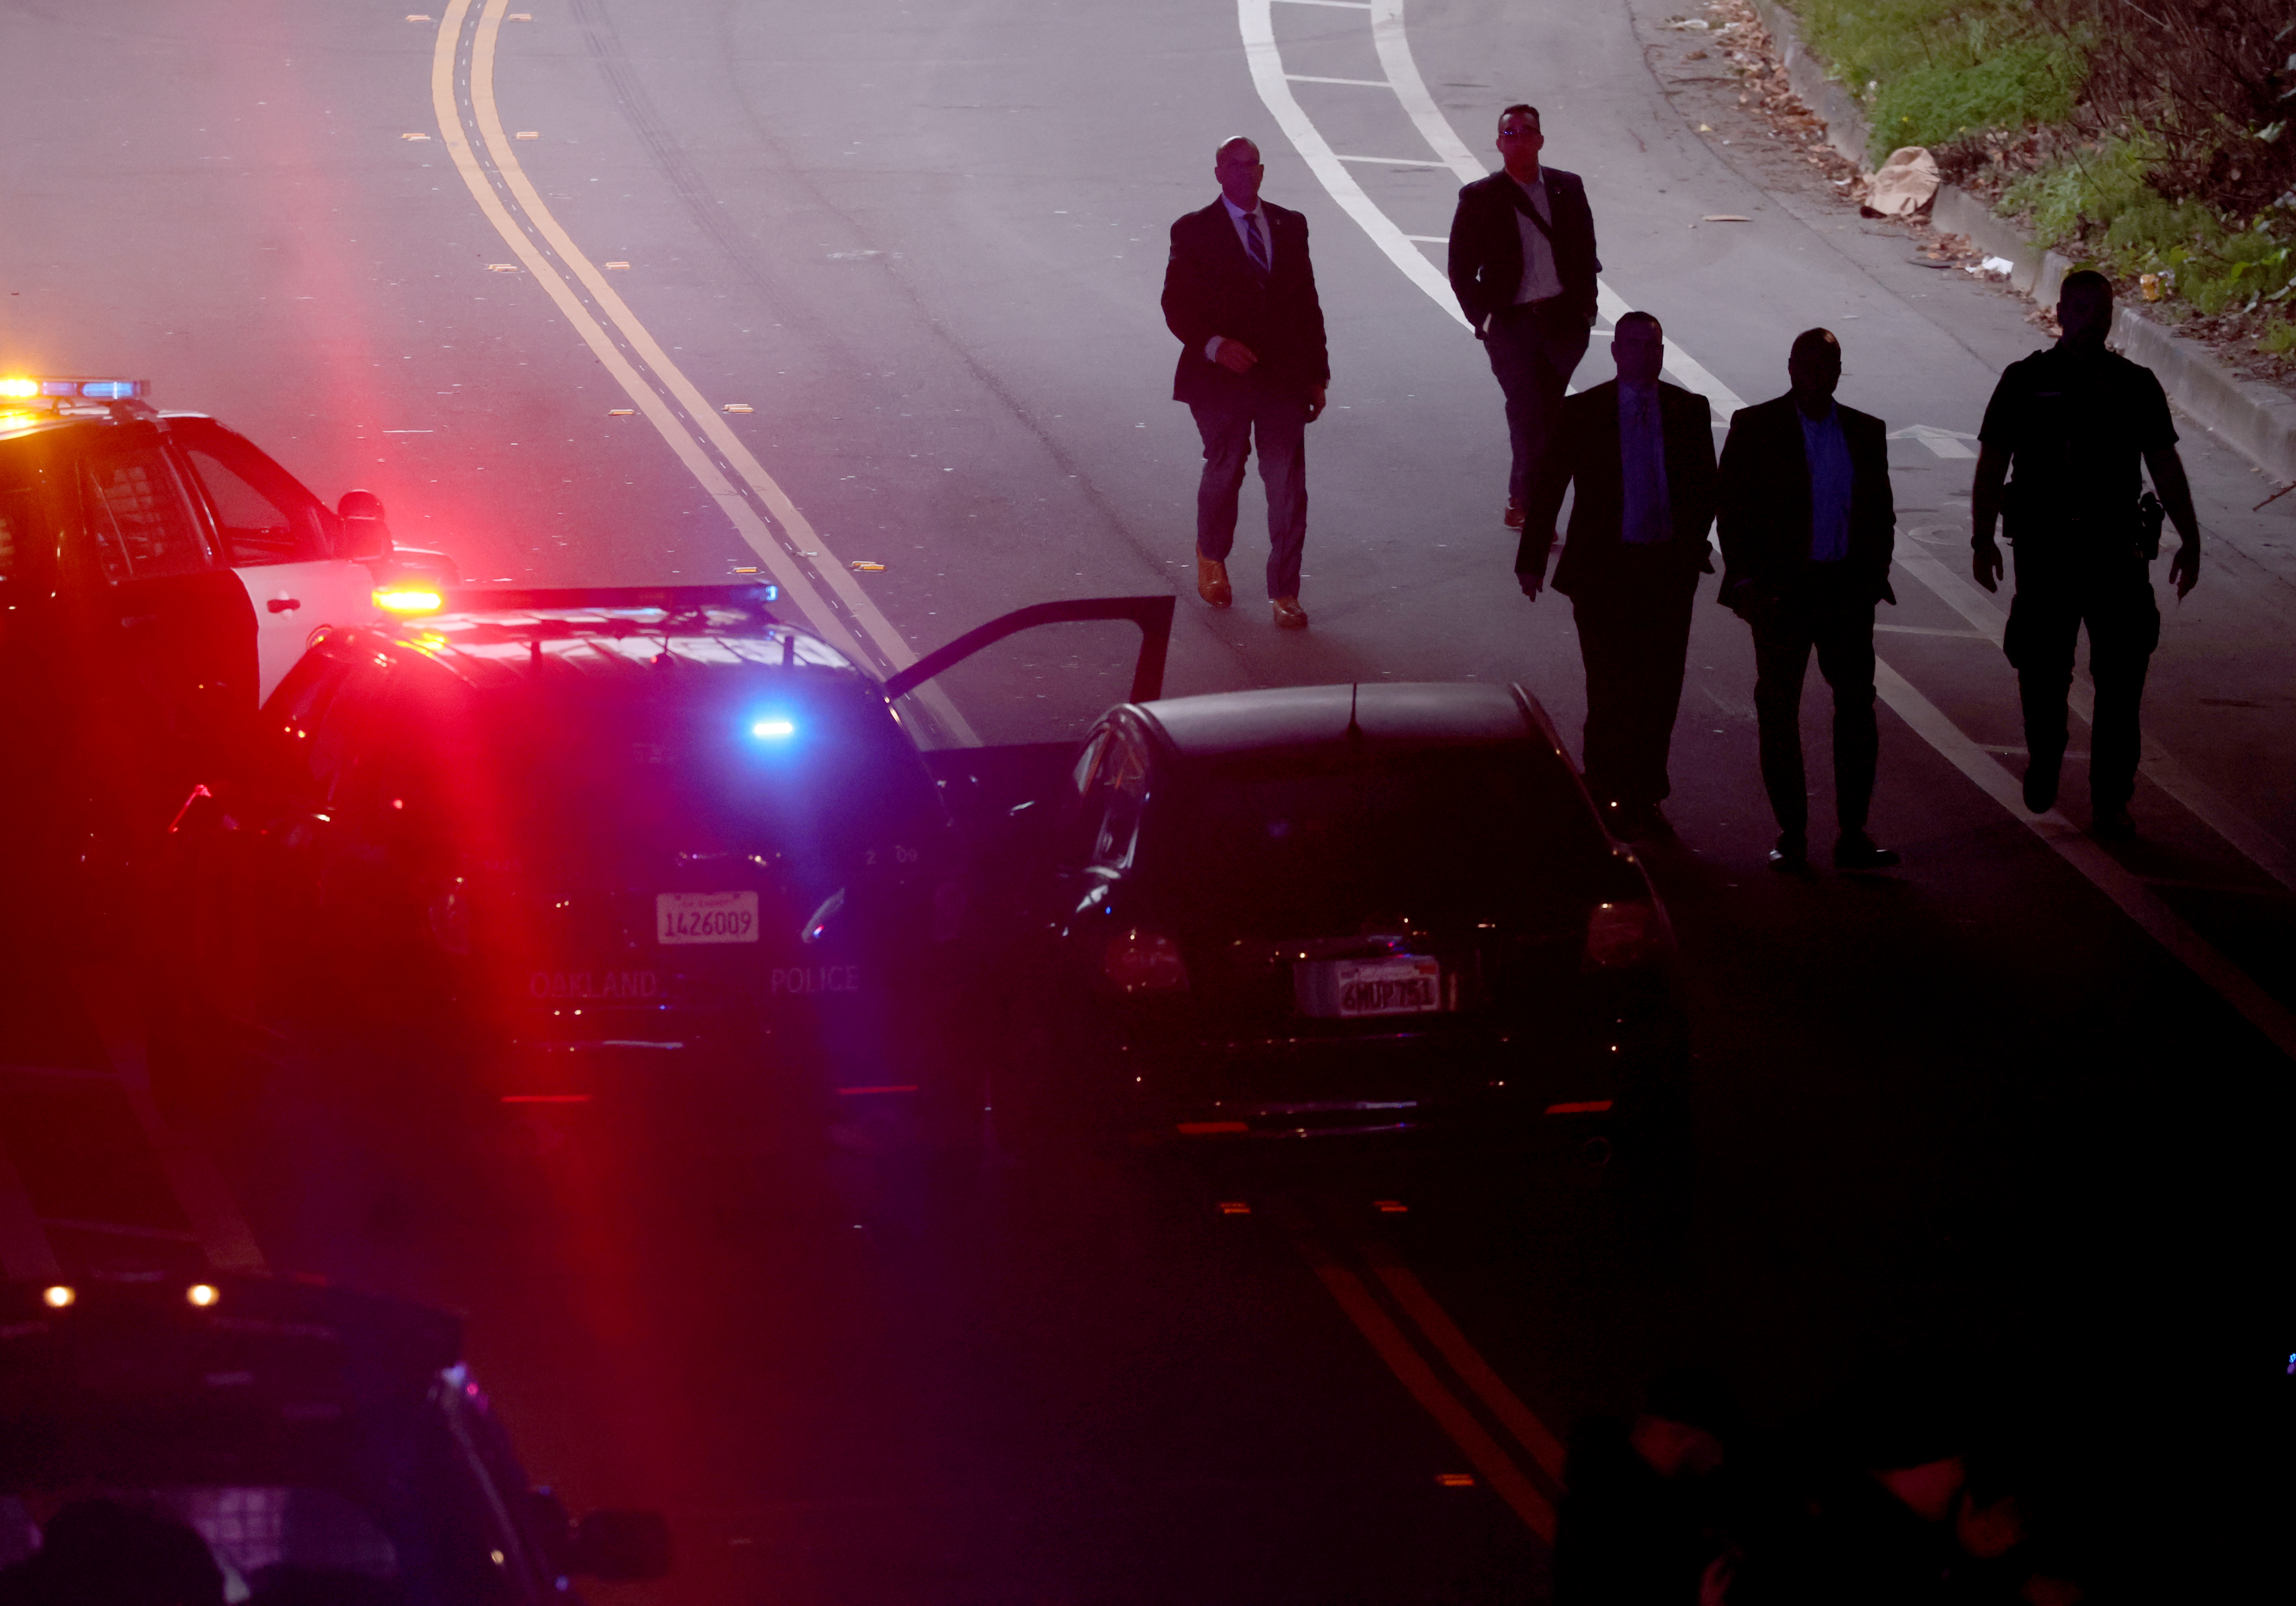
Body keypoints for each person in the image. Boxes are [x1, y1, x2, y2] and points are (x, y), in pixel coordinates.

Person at [1971, 269, 2201, 838]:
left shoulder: (2133, 385)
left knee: (2121, 683)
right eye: (2077, 309)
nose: (2088, 322)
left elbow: (2164, 466)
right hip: (2045, 551)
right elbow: (1992, 462)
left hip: (2113, 555)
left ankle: (2110, 802)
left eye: (2098, 311)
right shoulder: (2025, 381)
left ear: (2110, 317)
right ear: (2058, 313)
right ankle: (2045, 753)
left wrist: (2190, 538)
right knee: (2040, 670)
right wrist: (1980, 537)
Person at [1518, 311, 1717, 839]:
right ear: (1615, 352)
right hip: (1604, 574)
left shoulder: (1687, 410)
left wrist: (1690, 548)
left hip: (1663, 574)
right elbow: (1550, 483)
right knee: (1608, 689)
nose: (1643, 356)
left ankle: (1645, 796)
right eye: (1632, 346)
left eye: (1651, 347)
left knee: (1658, 692)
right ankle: (1606, 792)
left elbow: (1705, 486)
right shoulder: (1584, 411)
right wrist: (1532, 557)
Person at [1717, 328, 1901, 873]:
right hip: (1782, 595)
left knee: (1855, 709)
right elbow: (1731, 509)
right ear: (1791, 367)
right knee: (1778, 709)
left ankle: (1852, 832)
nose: (1817, 375)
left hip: (1844, 591)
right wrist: (1747, 582)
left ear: (1839, 371)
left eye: (1828, 365)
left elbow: (1878, 513)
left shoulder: (1866, 433)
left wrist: (1871, 577)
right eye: (1808, 364)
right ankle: (1792, 832)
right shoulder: (1755, 428)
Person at [1161, 135, 1330, 631]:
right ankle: (1211, 553)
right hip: (1219, 379)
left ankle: (1285, 592)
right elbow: (1176, 306)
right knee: (1226, 467)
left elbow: (1307, 305)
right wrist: (1215, 345)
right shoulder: (1192, 231)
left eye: (1250, 165)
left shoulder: (1290, 225)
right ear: (1217, 172)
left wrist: (1317, 374)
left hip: (1282, 379)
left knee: (1286, 487)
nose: (1242, 173)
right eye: (1232, 165)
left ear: (1261, 171)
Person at [1446, 103, 1600, 534]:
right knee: (1527, 409)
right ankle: (1533, 506)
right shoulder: (1479, 197)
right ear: (1498, 144)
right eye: (1509, 133)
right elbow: (1459, 268)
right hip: (1511, 325)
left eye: (1526, 131)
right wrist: (1485, 321)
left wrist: (1585, 311)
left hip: (1562, 322)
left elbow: (1585, 252)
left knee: (1547, 415)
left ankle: (1522, 497)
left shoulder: (1567, 189)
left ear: (1539, 140)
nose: (1518, 139)